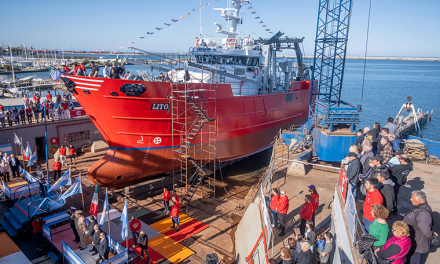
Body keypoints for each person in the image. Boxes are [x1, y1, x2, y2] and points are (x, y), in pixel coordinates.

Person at [404, 191, 438, 264]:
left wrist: (432, 235)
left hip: (417, 242)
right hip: (415, 239)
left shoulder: (423, 213)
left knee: (414, 258)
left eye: (412, 198)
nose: (410, 199)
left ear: (419, 200)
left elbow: (425, 230)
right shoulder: (422, 208)